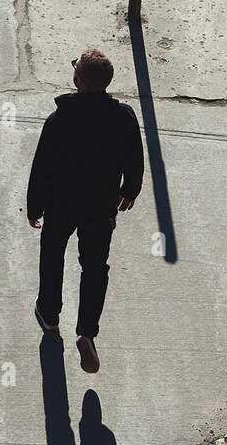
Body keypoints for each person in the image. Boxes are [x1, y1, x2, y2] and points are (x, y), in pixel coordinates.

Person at [27, 48, 144, 373]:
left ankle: (50, 315)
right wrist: (130, 190)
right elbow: (135, 157)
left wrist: (34, 207)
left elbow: (43, 167)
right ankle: (86, 332)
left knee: (52, 253)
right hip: (100, 207)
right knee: (94, 267)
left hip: (61, 205)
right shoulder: (123, 117)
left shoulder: (60, 120)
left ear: (78, 79)